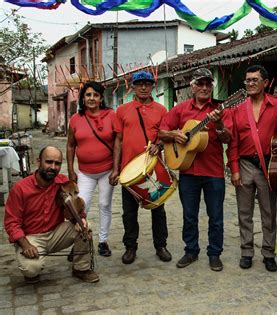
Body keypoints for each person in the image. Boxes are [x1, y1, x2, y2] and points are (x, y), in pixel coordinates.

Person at [159, 68, 232, 272]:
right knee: (189, 215)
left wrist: (218, 124)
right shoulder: (181, 109)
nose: (204, 87)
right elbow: (161, 132)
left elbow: (227, 138)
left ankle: (214, 253)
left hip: (213, 172)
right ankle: (191, 250)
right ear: (192, 86)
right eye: (200, 83)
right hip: (188, 171)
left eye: (208, 84)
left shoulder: (220, 109)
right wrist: (175, 135)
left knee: (216, 216)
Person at [4, 146, 99, 284]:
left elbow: (77, 206)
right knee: (31, 270)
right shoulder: (20, 188)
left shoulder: (63, 182)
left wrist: (80, 219)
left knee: (86, 227)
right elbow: (11, 222)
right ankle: (31, 264)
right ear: (38, 162)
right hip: (31, 237)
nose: (53, 167)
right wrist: (25, 245)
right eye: (48, 162)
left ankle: (81, 268)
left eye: (57, 163)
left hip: (56, 233)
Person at [109, 70, 171, 265]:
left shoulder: (161, 110)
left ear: (153, 86)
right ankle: (130, 247)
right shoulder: (122, 110)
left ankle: (160, 245)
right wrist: (116, 168)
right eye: (139, 84)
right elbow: (118, 140)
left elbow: (165, 137)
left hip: (153, 168)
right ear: (132, 87)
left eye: (147, 83)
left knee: (158, 208)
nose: (143, 87)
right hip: (129, 170)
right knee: (129, 212)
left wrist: (158, 145)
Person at [227, 65, 277, 271]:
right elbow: (232, 142)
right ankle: (246, 251)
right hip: (243, 164)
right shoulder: (237, 109)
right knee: (244, 212)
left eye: (255, 80)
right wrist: (234, 168)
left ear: (266, 83)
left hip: (267, 166)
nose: (250, 84)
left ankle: (269, 253)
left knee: (268, 212)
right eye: (248, 80)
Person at [67, 81, 115, 257]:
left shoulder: (111, 115)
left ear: (101, 98)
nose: (92, 98)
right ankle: (80, 242)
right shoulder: (75, 119)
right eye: (88, 95)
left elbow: (118, 142)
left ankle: (103, 241)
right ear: (83, 98)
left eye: (95, 95)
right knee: (80, 207)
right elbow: (71, 145)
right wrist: (71, 171)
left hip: (107, 171)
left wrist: (116, 168)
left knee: (104, 204)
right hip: (85, 173)